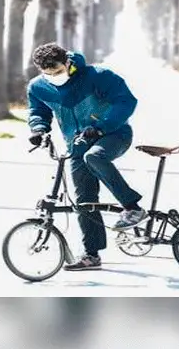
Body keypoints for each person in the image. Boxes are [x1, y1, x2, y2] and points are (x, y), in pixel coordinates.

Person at [27, 43, 147, 271]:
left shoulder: (98, 76)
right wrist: (38, 129)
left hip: (114, 135)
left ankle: (133, 207)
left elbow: (126, 101)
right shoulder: (39, 87)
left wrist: (101, 127)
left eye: (58, 71)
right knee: (83, 200)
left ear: (68, 63)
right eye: (48, 74)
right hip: (77, 145)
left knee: (94, 156)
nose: (54, 77)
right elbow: (37, 111)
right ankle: (91, 255)